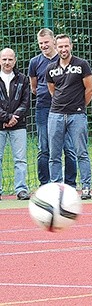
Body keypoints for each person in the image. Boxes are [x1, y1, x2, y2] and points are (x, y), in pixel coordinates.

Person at [46, 34, 92, 200]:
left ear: (71, 46)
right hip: (55, 115)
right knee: (54, 154)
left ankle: (86, 187)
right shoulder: (51, 68)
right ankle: (56, 189)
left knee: (81, 152)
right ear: (55, 47)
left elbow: (90, 90)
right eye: (60, 46)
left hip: (77, 115)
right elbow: (52, 90)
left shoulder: (82, 65)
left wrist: (79, 106)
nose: (63, 49)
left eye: (66, 46)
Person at [28, 29, 75, 188]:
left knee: (69, 148)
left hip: (65, 109)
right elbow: (33, 87)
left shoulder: (65, 60)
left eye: (46, 42)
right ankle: (45, 184)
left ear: (54, 41)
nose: (43, 46)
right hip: (43, 108)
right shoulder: (34, 62)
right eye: (40, 43)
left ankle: (69, 184)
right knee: (44, 148)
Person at [0, 48, 31, 200]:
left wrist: (14, 118)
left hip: (18, 125)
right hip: (0, 125)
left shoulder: (23, 79)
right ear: (0, 60)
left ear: (15, 60)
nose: (7, 62)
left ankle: (21, 189)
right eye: (4, 59)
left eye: (10, 59)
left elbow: (26, 102)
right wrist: (5, 118)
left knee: (20, 159)